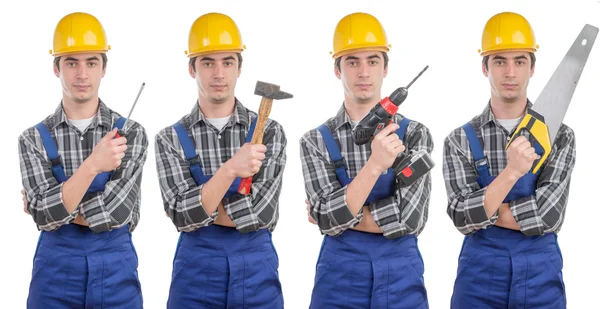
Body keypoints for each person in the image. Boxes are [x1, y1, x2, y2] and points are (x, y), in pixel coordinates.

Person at [300, 12, 433, 309]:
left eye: (373, 61)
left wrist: (337, 216)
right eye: (352, 62)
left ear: (386, 69)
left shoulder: (415, 135)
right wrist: (375, 165)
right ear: (338, 70)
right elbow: (327, 216)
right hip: (337, 282)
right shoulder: (315, 140)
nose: (363, 72)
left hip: (402, 280)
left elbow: (409, 219)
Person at [154, 12, 287, 308]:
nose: (218, 73)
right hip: (194, 278)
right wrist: (230, 170)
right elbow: (179, 214)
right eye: (207, 62)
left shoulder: (271, 132)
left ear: (239, 68)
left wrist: (196, 208)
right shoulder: (169, 138)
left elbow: (260, 216)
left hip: (257, 275)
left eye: (227, 62)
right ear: (192, 69)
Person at [443, 11, 575, 308]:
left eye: (520, 61)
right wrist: (512, 172)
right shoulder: (459, 140)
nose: (510, 73)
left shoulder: (561, 136)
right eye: (500, 61)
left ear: (532, 68)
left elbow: (549, 216)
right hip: (477, 282)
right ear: (484, 67)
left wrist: (484, 212)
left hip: (541, 280)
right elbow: (461, 219)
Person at [18, 12, 147, 308]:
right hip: (53, 280)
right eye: (71, 62)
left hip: (117, 277)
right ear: (56, 68)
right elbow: (43, 214)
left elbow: (116, 213)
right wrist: (93, 165)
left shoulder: (132, 133)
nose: (82, 74)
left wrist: (53, 208)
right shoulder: (31, 139)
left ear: (104, 68)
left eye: (91, 62)